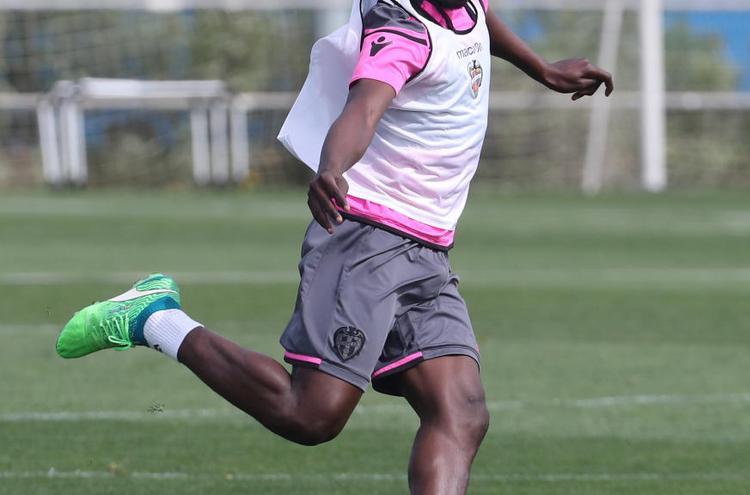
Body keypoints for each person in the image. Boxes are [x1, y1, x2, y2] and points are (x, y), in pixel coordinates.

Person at [55, 1, 613, 493]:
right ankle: (153, 318)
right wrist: (332, 167)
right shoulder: (401, 31)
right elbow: (365, 106)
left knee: (461, 411)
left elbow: (479, 16)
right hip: (366, 238)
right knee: (310, 416)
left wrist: (540, 67)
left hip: (427, 249)